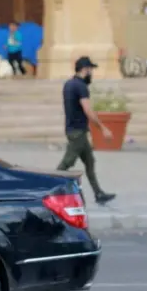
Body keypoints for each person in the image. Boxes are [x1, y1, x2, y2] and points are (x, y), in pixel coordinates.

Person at [56, 57, 116, 205]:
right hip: (77, 132)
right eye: (90, 69)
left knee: (90, 161)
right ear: (85, 69)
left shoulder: (69, 84)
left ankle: (98, 193)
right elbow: (88, 110)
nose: (91, 73)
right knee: (66, 164)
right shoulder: (81, 87)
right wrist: (103, 128)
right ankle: (49, 190)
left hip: (73, 129)